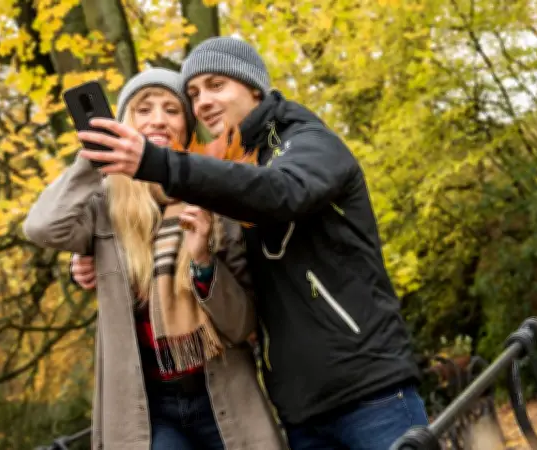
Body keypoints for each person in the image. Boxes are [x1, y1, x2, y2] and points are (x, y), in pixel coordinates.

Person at [74, 37, 428, 450]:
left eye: (216, 84)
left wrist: (157, 161)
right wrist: (85, 260)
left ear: (253, 87)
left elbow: (280, 192)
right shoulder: (230, 165)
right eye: (194, 93)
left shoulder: (307, 139)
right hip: (300, 410)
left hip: (372, 391)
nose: (203, 101)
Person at [23, 68, 285, 450]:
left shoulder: (215, 198)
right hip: (148, 410)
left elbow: (242, 324)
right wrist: (95, 157)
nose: (158, 119)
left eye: (171, 110)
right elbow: (42, 228)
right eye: (144, 109)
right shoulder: (104, 207)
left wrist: (203, 262)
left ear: (187, 125)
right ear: (126, 122)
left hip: (221, 394)